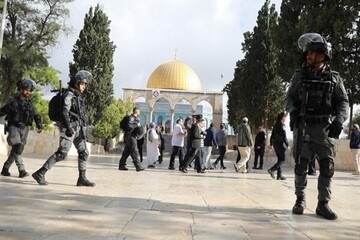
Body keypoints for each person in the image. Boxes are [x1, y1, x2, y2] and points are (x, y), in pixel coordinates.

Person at [286, 33, 349, 220]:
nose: (308, 56)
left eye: (312, 53)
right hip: (303, 126)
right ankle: (300, 200)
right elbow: (289, 97)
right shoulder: (299, 76)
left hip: (324, 128)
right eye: (308, 53)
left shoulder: (334, 79)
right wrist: (293, 111)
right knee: (300, 166)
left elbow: (343, 101)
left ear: (322, 55)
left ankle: (323, 204)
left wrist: (339, 120)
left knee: (327, 167)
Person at [32, 71, 95, 186]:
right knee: (62, 153)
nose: (84, 86)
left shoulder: (77, 95)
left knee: (84, 152)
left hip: (78, 128)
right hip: (69, 127)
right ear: (76, 83)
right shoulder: (69, 95)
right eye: (82, 84)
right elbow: (64, 112)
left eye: (85, 84)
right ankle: (40, 173)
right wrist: (69, 128)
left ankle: (82, 178)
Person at [0, 79, 43, 178]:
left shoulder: (30, 104)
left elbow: (36, 115)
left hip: (25, 129)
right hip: (13, 127)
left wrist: (39, 125)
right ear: (20, 90)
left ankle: (5, 169)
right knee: (17, 147)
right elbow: (2, 111)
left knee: (17, 150)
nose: (28, 92)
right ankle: (22, 170)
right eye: (26, 90)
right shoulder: (12, 102)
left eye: (30, 90)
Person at [118, 107, 145, 172]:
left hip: (128, 136)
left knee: (126, 152)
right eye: (139, 112)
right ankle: (138, 166)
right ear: (136, 112)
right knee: (134, 151)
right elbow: (129, 126)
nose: (139, 113)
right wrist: (136, 126)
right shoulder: (132, 118)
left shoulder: (133, 118)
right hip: (131, 137)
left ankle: (121, 165)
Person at [268, 112, 289, 180]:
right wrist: (287, 144)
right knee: (283, 159)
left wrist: (271, 144)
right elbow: (284, 136)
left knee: (279, 159)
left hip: (275, 143)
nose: (286, 118)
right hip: (279, 144)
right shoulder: (282, 125)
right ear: (282, 117)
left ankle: (279, 175)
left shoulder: (275, 124)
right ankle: (272, 169)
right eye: (285, 116)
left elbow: (272, 135)